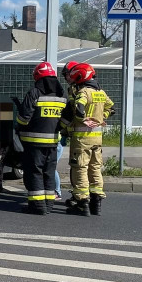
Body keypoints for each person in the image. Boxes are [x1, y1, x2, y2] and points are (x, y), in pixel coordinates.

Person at [61, 63, 115, 216]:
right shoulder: (101, 92)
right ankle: (95, 202)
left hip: (82, 138)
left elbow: (78, 108)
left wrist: (83, 118)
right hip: (97, 139)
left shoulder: (83, 92)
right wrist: (100, 119)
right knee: (95, 168)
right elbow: (111, 108)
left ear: (79, 76)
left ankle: (82, 203)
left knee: (80, 168)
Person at [13, 62, 67, 215]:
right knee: (49, 172)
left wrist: (19, 124)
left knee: (34, 172)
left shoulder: (35, 93)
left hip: (34, 143)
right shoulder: (62, 95)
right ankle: (48, 205)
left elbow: (23, 119)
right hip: (53, 143)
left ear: (37, 76)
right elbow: (65, 118)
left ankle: (37, 207)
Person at [54, 61, 78, 200]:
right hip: (71, 134)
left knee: (78, 168)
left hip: (77, 135)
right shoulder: (72, 89)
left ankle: (58, 192)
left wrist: (62, 128)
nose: (65, 78)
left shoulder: (77, 90)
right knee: (76, 168)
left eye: (67, 75)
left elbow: (71, 113)